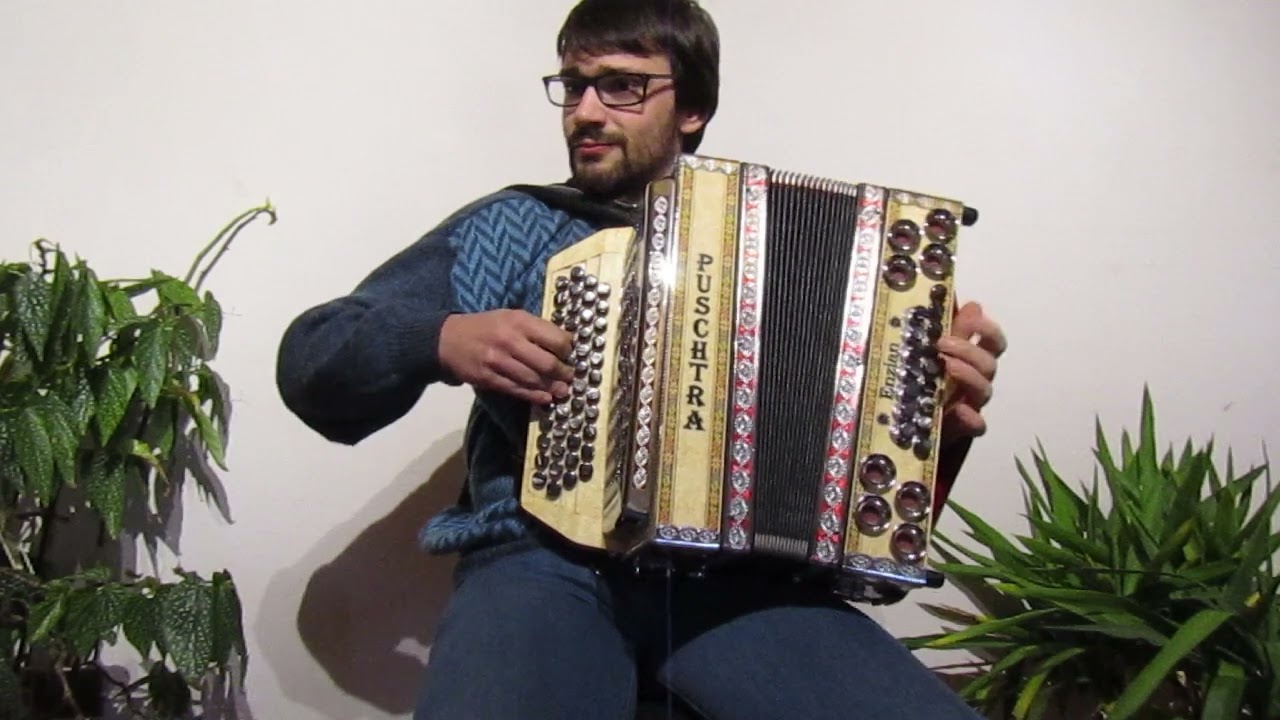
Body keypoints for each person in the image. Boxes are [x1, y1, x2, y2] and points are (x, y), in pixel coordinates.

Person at [275, 0, 1008, 718]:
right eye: (573, 84)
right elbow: (313, 359)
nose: (585, 111)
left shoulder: (812, 257)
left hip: (739, 582)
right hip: (540, 561)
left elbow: (854, 517)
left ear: (691, 107)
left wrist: (933, 427)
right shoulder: (517, 222)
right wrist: (441, 337)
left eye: (622, 85)